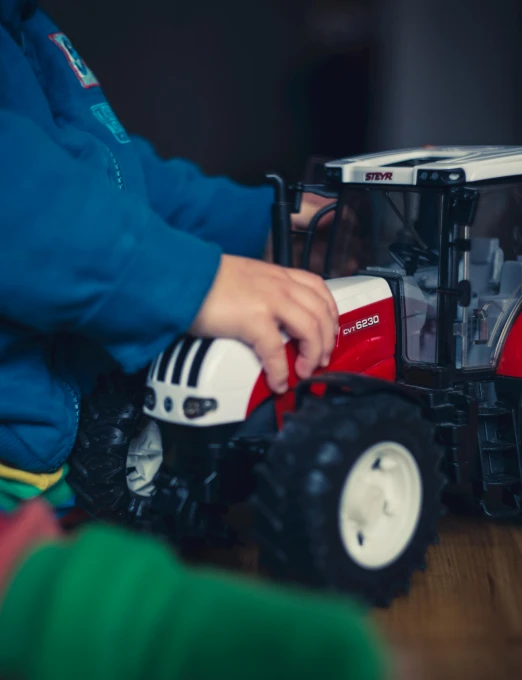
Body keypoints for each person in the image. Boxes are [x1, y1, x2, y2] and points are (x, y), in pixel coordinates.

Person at [0, 0, 338, 480]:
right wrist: (193, 281)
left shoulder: (26, 28)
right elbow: (18, 195)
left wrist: (258, 226)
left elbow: (119, 176)